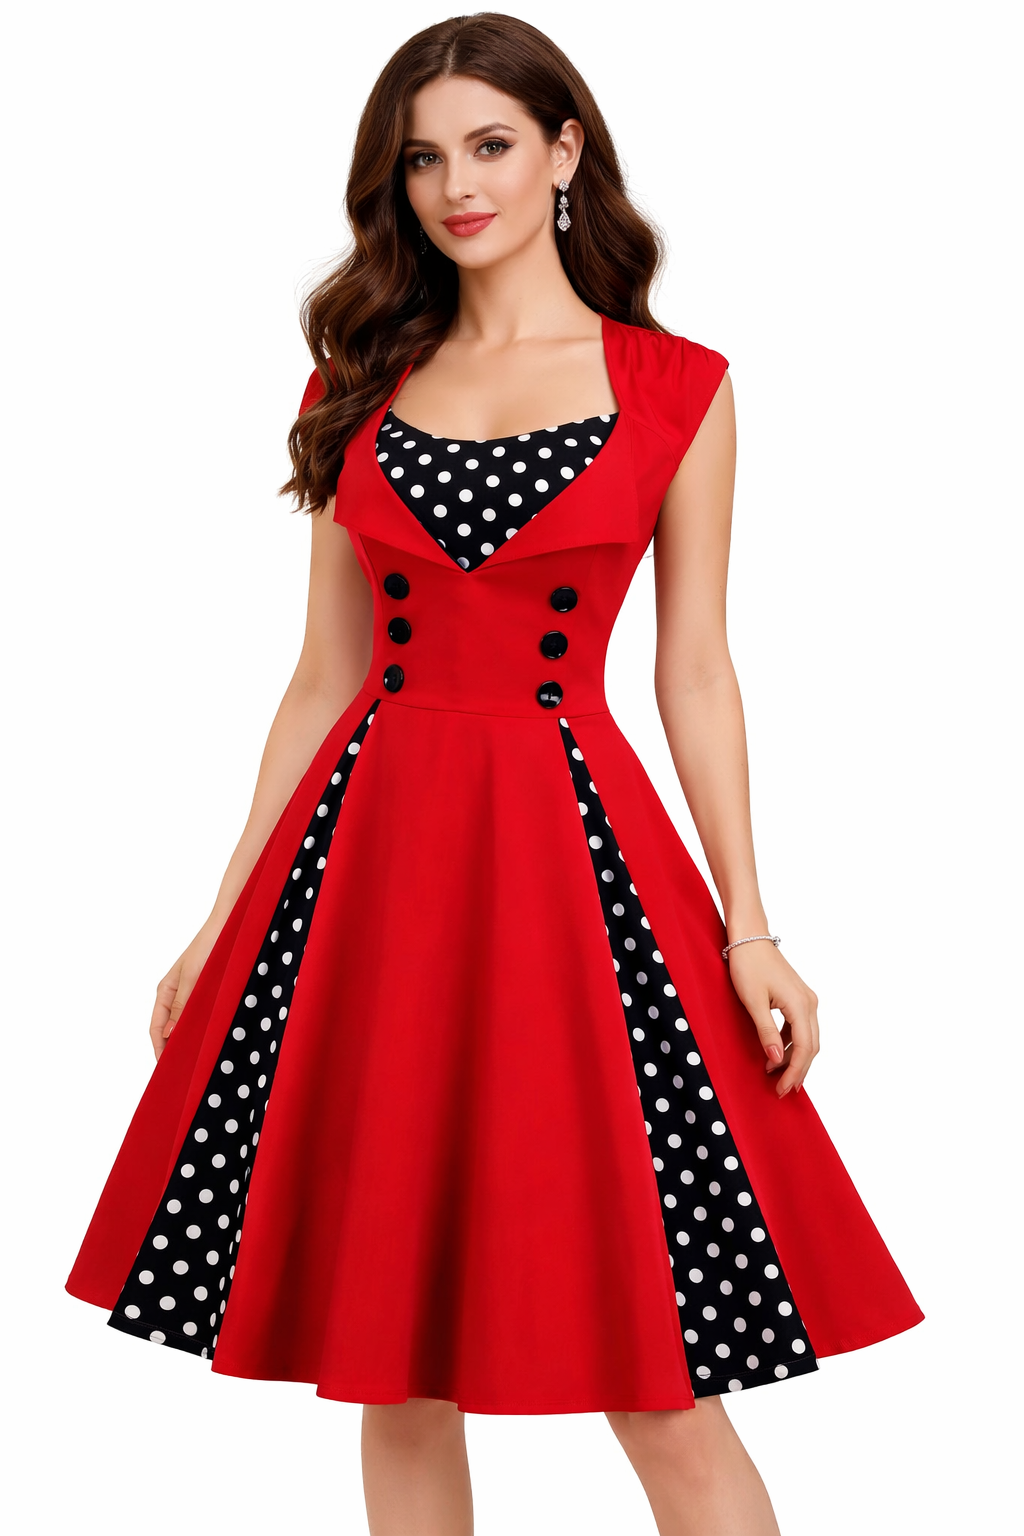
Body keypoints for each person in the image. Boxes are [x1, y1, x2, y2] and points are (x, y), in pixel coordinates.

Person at [66, 15, 922, 1535]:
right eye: (422, 159)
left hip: (572, 874)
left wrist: (750, 923)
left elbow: (696, 672)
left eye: (490, 146)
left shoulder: (678, 387)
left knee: (662, 1378)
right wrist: (218, 921)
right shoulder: (357, 377)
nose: (456, 186)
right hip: (372, 869)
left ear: (564, 152)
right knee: (393, 1368)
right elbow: (323, 678)